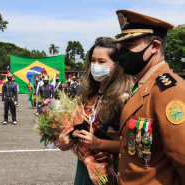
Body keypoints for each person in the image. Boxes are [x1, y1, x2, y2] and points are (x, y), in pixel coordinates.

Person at [114, 9, 185, 185]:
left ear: (154, 46)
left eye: (129, 46)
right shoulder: (142, 85)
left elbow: (182, 157)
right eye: (121, 47)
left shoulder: (169, 90)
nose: (122, 53)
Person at [57, 38, 131, 185]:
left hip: (112, 171)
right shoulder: (87, 96)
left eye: (102, 61)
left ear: (117, 66)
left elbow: (131, 145)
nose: (95, 66)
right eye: (93, 60)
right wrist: (64, 142)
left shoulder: (125, 100)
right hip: (86, 167)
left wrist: (98, 143)